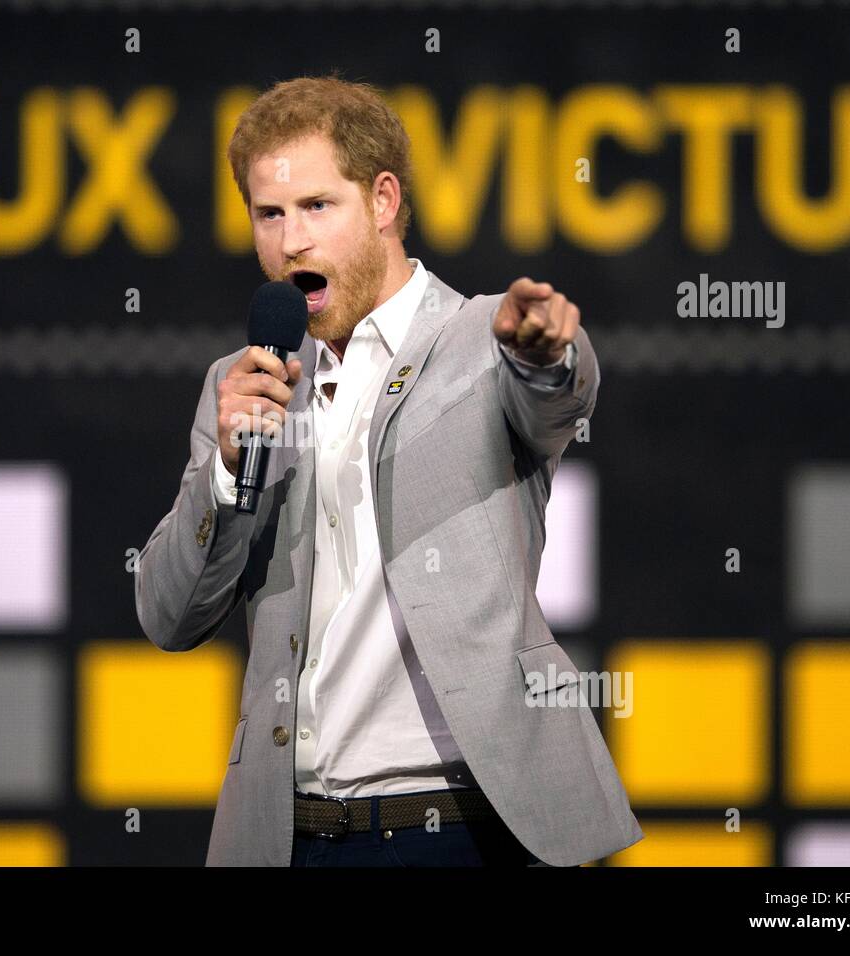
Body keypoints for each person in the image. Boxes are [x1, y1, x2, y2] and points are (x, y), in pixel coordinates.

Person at [134, 74, 643, 867]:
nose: (289, 241)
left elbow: (557, 393)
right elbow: (168, 614)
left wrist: (547, 355)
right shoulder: (241, 386)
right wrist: (229, 471)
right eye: (269, 215)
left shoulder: (481, 338)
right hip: (292, 835)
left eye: (315, 207)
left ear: (381, 200)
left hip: (463, 829)